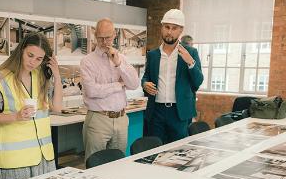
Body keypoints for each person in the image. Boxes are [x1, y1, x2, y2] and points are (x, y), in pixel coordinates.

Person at [0, 32, 62, 179]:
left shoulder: (41, 77)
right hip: (15, 162)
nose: (33, 62)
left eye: (39, 59)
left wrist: (57, 76)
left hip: (44, 158)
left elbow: (58, 108)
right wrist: (16, 116)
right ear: (21, 50)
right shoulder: (0, 79)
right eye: (30, 55)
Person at [141, 9, 203, 144]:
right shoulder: (153, 55)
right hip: (156, 111)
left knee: (178, 152)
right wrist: (145, 84)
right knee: (155, 151)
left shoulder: (191, 52)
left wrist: (190, 62)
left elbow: (198, 82)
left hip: (179, 112)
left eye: (174, 28)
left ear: (180, 30)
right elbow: (146, 77)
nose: (169, 32)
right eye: (167, 27)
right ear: (162, 28)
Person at [80, 18, 139, 160]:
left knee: (118, 163)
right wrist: (118, 85)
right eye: (100, 38)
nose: (105, 41)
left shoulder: (121, 58)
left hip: (121, 119)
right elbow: (92, 91)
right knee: (95, 164)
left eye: (108, 37)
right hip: (98, 119)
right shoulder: (88, 61)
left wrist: (118, 63)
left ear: (114, 35)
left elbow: (134, 84)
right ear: (95, 36)